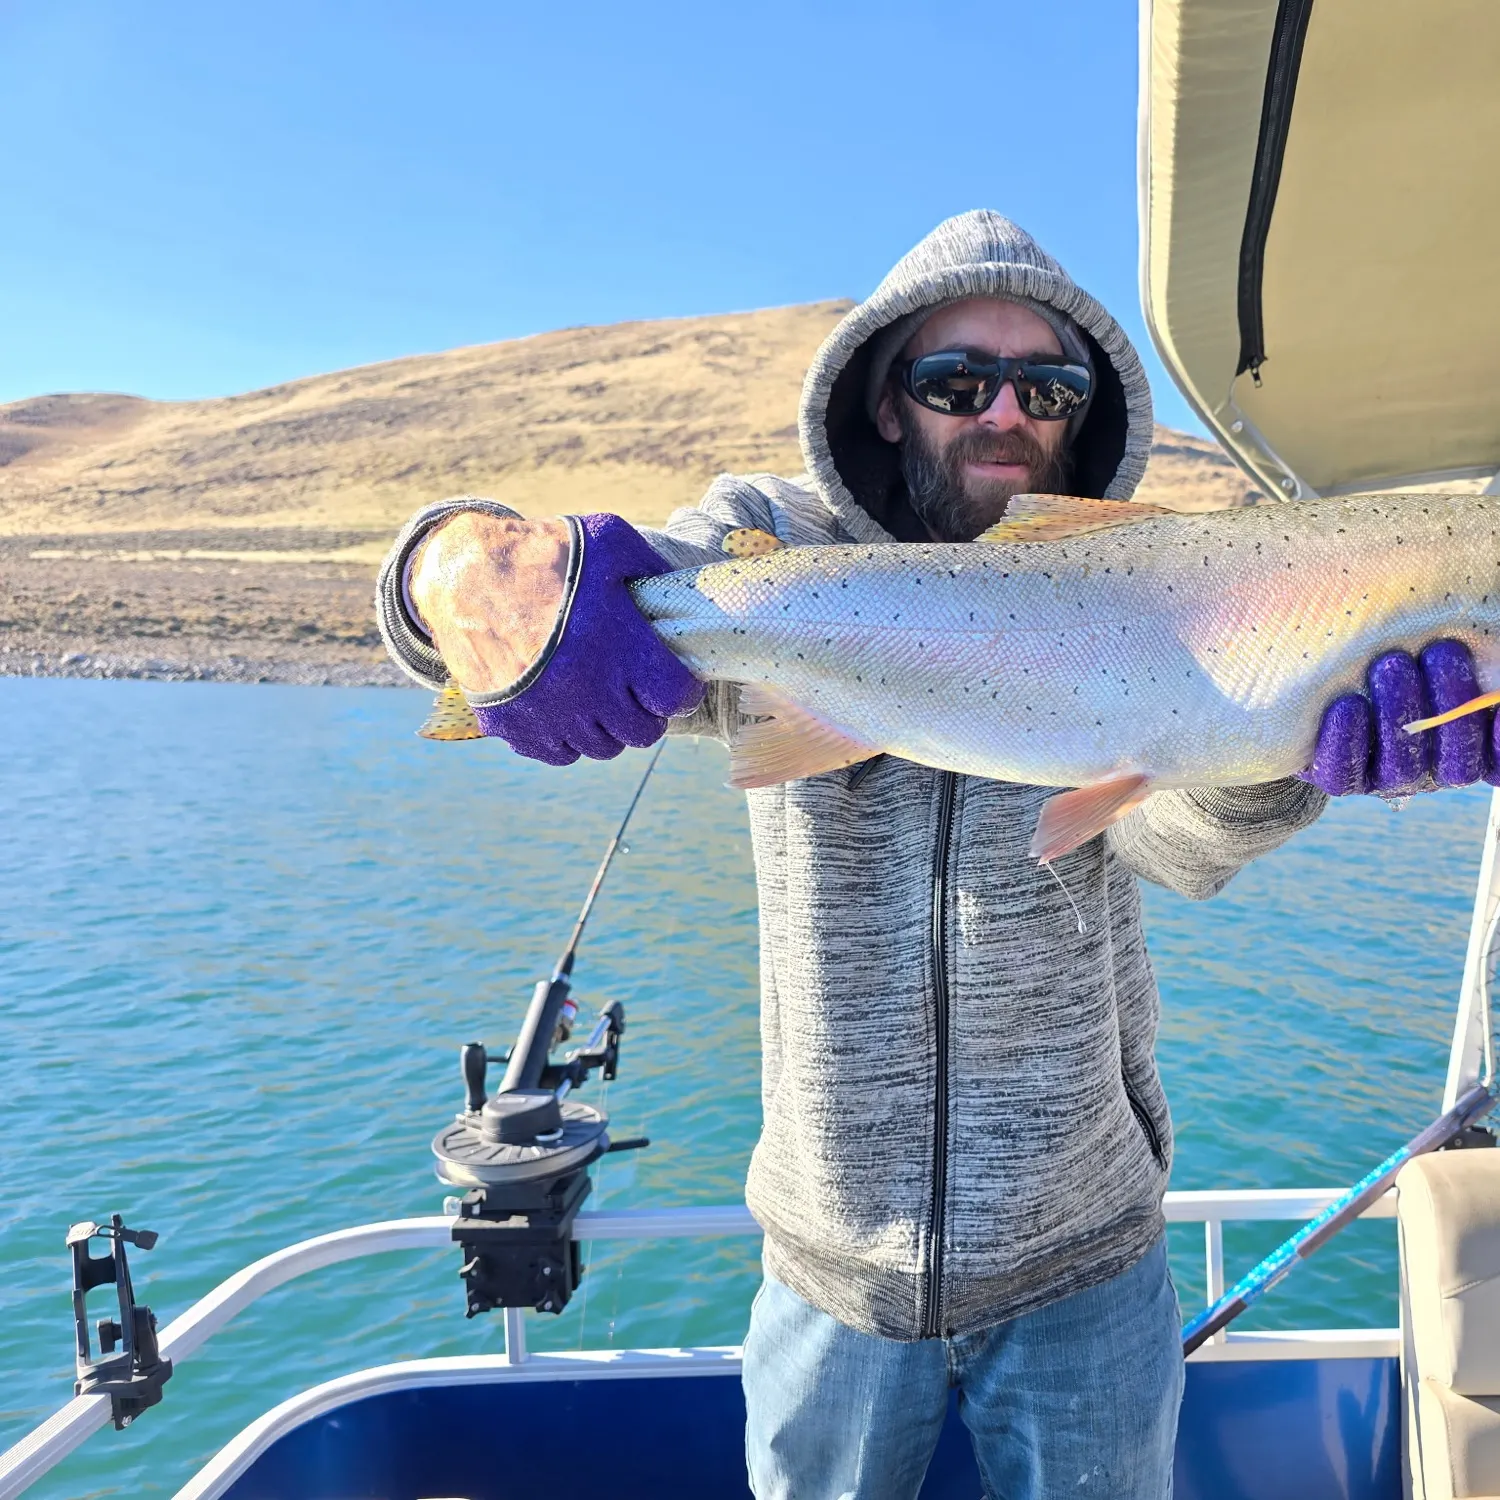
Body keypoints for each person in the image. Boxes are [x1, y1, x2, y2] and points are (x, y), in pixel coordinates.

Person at [375, 210, 1495, 1499]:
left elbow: (1170, 847)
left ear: (1084, 414)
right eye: (957, 381)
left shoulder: (1167, 584)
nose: (1004, 413)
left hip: (1093, 1259)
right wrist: (473, 578)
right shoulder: (777, 546)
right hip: (826, 1269)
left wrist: (1291, 769)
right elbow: (477, 597)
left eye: (1047, 386)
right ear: (891, 404)